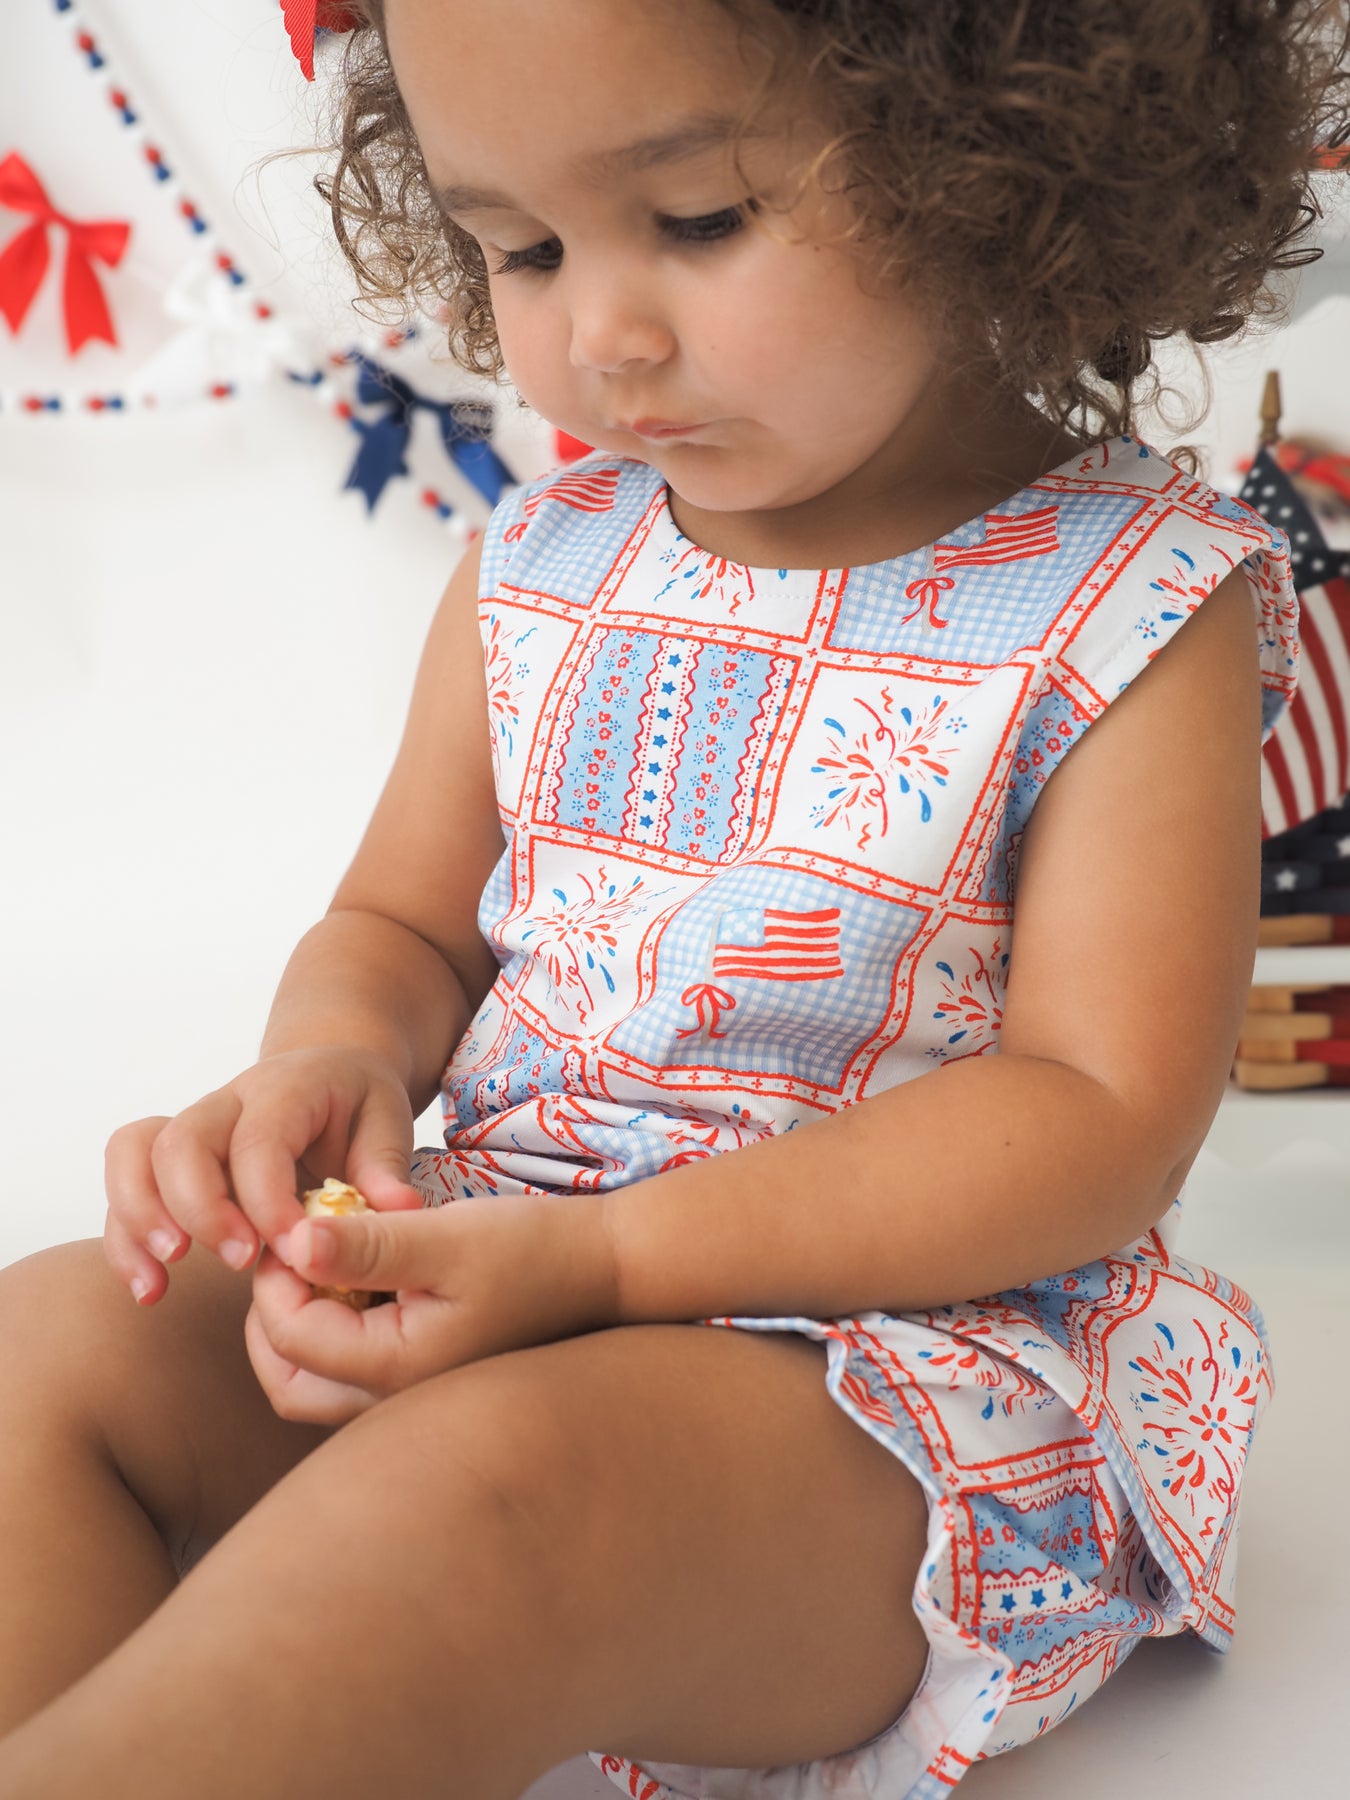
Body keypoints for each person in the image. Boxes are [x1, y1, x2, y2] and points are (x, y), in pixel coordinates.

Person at [1, 2, 1345, 1796]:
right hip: (502, 1245)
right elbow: (404, 929)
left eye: (698, 219)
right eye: (524, 248)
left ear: (1003, 161)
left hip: (880, 1370)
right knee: (45, 1346)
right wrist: (331, 1064)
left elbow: (1094, 1118)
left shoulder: (1133, 604)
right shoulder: (540, 562)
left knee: (483, 1490)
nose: (602, 336)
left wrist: (610, 1265)